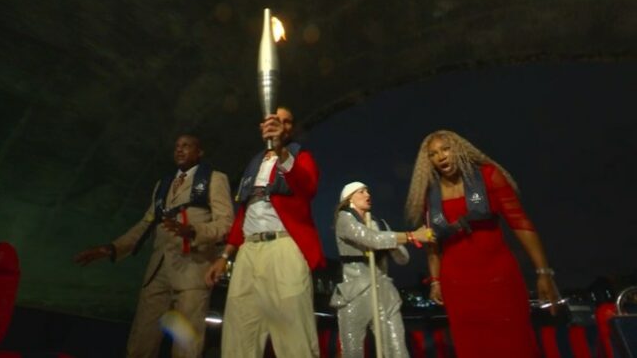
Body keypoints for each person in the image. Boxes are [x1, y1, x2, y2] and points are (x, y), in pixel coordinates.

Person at [74, 134, 234, 358]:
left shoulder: (214, 179)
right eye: (177, 146)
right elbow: (146, 223)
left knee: (186, 343)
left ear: (200, 152)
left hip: (192, 268)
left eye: (186, 146)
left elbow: (226, 223)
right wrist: (112, 248)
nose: (180, 150)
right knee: (142, 338)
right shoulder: (163, 184)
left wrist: (195, 231)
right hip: (158, 270)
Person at [405, 130, 560, 358]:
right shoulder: (431, 194)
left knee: (516, 344)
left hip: (499, 277)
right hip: (457, 284)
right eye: (433, 154)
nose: (441, 157)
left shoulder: (489, 176)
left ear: (458, 149)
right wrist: (436, 281)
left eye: (445, 149)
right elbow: (432, 245)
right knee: (473, 347)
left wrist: (543, 272)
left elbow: (521, 223)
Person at [205, 107, 325, 357]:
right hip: (248, 252)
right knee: (240, 331)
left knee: (293, 333)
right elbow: (244, 212)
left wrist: (281, 151)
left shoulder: (300, 156)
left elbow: (307, 187)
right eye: (275, 120)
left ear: (291, 128)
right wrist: (225, 255)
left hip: (284, 248)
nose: (281, 125)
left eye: (287, 121)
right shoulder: (254, 163)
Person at [331, 181, 434, 358]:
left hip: (383, 291)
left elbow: (403, 259)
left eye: (367, 191)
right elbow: (371, 239)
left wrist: (389, 242)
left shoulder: (379, 223)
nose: (367, 195)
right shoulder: (344, 218)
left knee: (396, 348)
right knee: (352, 349)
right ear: (349, 199)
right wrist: (410, 236)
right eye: (361, 192)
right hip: (356, 292)